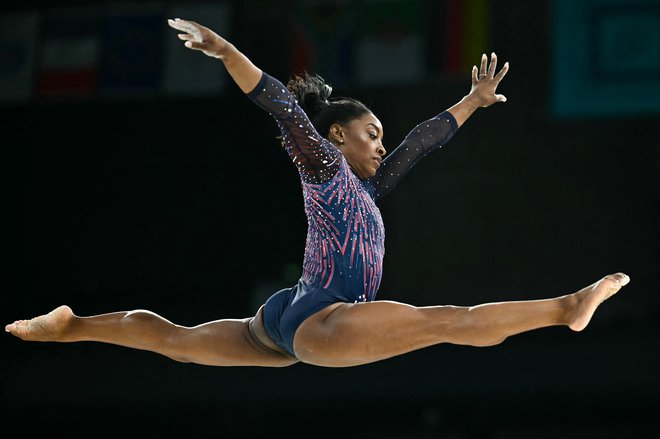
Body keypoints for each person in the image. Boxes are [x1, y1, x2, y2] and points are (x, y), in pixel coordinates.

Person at [6, 18, 630, 368]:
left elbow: (418, 143)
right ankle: (565, 306)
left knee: (174, 339)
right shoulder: (325, 168)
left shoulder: (366, 188)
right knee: (449, 323)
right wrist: (226, 50)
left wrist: (470, 101)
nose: (381, 145)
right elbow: (280, 103)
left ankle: (71, 327)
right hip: (323, 317)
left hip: (288, 316)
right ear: (337, 135)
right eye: (371, 133)